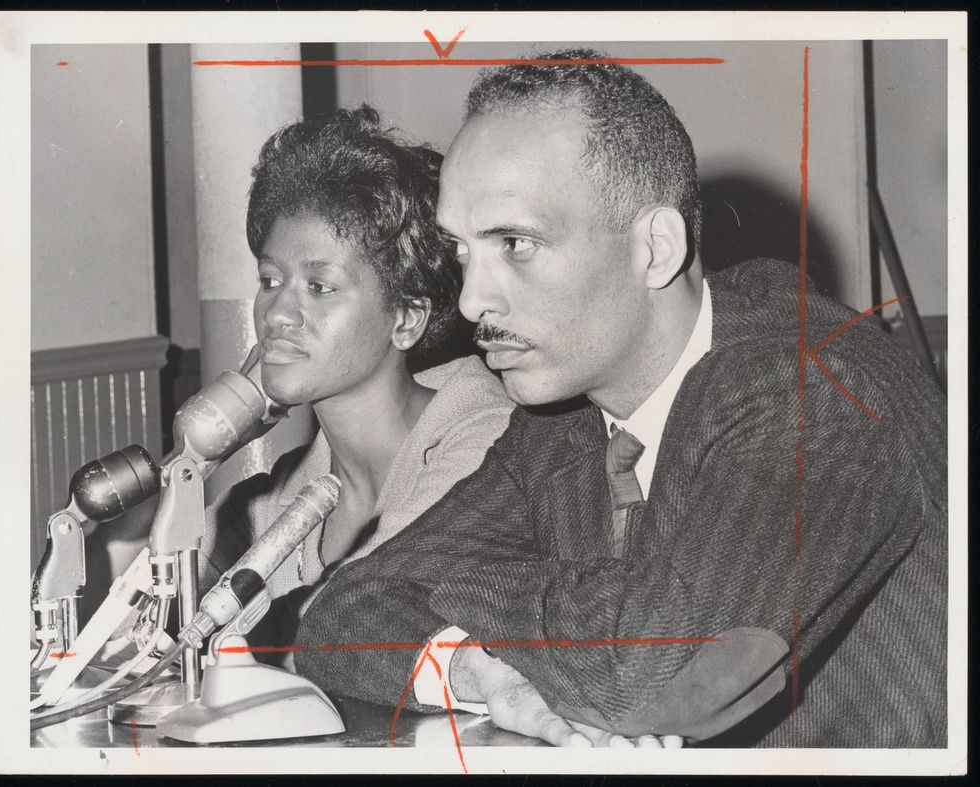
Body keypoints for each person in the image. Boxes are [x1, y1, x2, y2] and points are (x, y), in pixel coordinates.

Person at [292, 50, 948, 748]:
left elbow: (653, 677)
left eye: (515, 242)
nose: (473, 299)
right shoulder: (560, 419)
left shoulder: (814, 385)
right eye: (461, 253)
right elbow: (340, 615)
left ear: (656, 248)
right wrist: (476, 669)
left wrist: (470, 597)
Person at [197, 106, 515, 643]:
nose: (276, 314)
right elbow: (142, 611)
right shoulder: (272, 501)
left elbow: (359, 623)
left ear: (406, 320)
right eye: (271, 280)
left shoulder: (487, 443)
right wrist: (209, 439)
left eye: (320, 287)